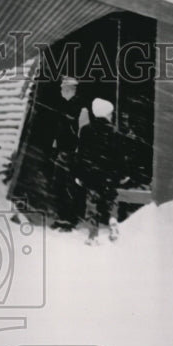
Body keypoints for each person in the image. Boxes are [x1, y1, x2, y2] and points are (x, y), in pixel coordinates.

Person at [75, 98, 124, 245]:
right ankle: (113, 220)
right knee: (111, 200)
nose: (111, 116)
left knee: (92, 204)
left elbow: (81, 154)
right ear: (106, 114)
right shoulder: (115, 132)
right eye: (110, 114)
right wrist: (121, 174)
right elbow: (119, 157)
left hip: (91, 175)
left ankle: (92, 234)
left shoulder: (85, 130)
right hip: (109, 175)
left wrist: (79, 173)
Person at [50, 75, 86, 231]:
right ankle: (62, 216)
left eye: (63, 88)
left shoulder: (81, 108)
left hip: (72, 153)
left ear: (71, 89)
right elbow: (61, 128)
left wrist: (78, 152)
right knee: (59, 184)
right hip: (62, 151)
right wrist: (56, 143)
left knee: (70, 186)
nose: (60, 90)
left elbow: (83, 133)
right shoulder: (63, 105)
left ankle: (70, 218)